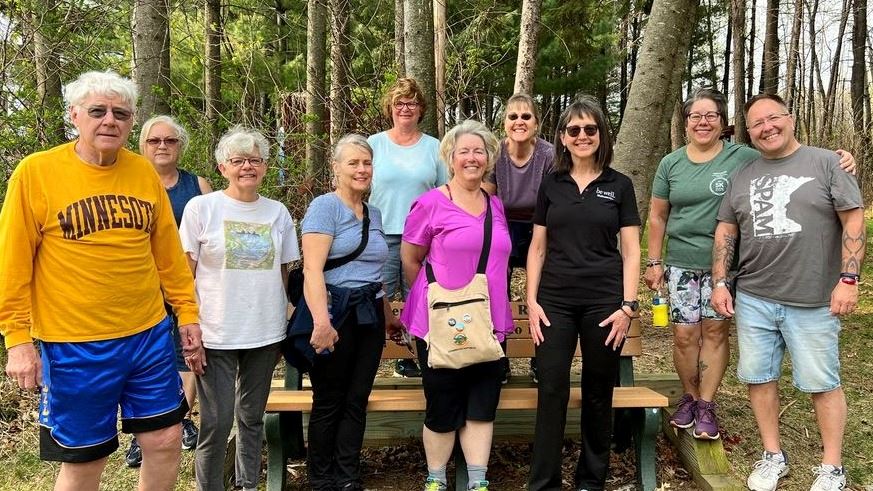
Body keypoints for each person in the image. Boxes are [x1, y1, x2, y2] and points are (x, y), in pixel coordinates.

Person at [0, 70, 202, 491]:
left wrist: (187, 313)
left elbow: (167, 254)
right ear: (75, 115)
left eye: (121, 113)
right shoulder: (36, 173)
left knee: (165, 439)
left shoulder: (143, 173)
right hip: (75, 343)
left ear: (131, 122)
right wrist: (18, 340)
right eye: (98, 111)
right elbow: (12, 264)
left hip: (147, 335)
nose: (110, 120)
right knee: (87, 458)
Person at [643, 88, 856, 440]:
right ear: (685, 123)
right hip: (680, 263)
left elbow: (785, 154)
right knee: (683, 336)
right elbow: (657, 215)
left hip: (728, 267)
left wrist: (840, 158)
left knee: (714, 332)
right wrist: (654, 261)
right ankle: (690, 398)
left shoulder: (741, 157)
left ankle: (707, 404)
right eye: (695, 116)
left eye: (711, 115)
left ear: (723, 122)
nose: (703, 122)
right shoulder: (671, 163)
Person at [711, 93, 865, 491]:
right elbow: (727, 230)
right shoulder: (743, 174)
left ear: (790, 118)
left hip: (813, 300)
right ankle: (772, 455)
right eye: (757, 124)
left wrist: (849, 279)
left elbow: (852, 221)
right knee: (759, 378)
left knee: (822, 382)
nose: (767, 128)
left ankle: (832, 466)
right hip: (755, 297)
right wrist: (720, 281)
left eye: (773, 118)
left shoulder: (828, 162)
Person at [526, 96, 641, 491]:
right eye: (573, 130)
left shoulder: (619, 185)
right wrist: (531, 300)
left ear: (601, 134)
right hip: (554, 300)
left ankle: (591, 479)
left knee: (598, 390)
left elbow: (631, 250)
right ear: (562, 137)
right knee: (552, 388)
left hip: (605, 303)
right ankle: (544, 482)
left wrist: (628, 305)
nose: (582, 136)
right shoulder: (550, 184)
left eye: (590, 129)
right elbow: (537, 248)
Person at [179, 127, 300, 491]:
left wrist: (285, 323)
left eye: (255, 160)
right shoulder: (202, 208)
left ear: (265, 167)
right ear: (222, 167)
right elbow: (185, 274)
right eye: (238, 160)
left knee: (251, 418)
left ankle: (249, 485)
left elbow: (284, 272)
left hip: (264, 332)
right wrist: (190, 329)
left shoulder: (277, 212)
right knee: (215, 424)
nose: (247, 166)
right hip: (215, 332)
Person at [400, 120, 513, 491]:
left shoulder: (495, 204)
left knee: (482, 403)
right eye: (463, 151)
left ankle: (476, 481)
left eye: (478, 151)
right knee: (443, 403)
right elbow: (411, 258)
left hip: (490, 318)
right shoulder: (430, 203)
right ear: (450, 157)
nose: (471, 157)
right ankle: (436, 479)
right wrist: (438, 298)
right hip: (441, 320)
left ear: (489, 158)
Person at [300, 134, 398, 490]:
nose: (361, 169)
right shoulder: (325, 207)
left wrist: (388, 314)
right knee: (330, 398)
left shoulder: (374, 212)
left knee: (357, 397)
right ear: (336, 168)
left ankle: (347, 475)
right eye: (353, 162)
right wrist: (322, 323)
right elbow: (312, 269)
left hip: (369, 314)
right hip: (335, 312)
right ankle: (321, 477)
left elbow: (376, 274)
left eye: (367, 163)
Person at [124, 115, 213, 467]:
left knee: (186, 352)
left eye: (170, 140)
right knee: (141, 358)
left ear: (180, 146)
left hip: (185, 284)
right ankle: (139, 433)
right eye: (154, 141)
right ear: (142, 146)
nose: (162, 146)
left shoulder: (198, 185)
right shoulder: (128, 183)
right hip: (138, 286)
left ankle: (178, 419)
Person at [368, 77, 448, 378]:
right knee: (380, 298)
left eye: (411, 103)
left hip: (424, 238)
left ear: (420, 109)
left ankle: (420, 357)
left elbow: (445, 193)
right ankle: (380, 359)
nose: (405, 108)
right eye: (399, 103)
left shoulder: (434, 147)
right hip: (382, 234)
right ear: (390, 107)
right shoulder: (374, 144)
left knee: (422, 297)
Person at [482, 93, 554, 384]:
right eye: (513, 116)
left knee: (543, 293)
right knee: (496, 290)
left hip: (541, 224)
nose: (519, 121)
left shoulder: (548, 154)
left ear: (536, 123)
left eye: (526, 116)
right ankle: (500, 359)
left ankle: (542, 360)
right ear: (505, 123)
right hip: (503, 223)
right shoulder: (495, 154)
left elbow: (553, 198)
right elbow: (486, 195)